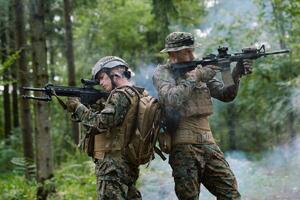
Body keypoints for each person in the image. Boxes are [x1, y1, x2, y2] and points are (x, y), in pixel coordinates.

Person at [153, 32, 252, 200]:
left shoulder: (197, 69)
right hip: (183, 147)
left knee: (231, 194)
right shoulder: (163, 73)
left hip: (208, 143)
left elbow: (226, 94)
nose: (192, 55)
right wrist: (196, 77)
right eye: (186, 52)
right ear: (172, 54)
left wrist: (234, 72)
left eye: (192, 50)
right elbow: (171, 99)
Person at [65, 56, 143, 200]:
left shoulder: (120, 95)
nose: (100, 83)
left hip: (111, 168)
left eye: (102, 77)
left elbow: (100, 124)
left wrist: (78, 107)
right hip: (126, 164)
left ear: (115, 75)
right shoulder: (135, 93)